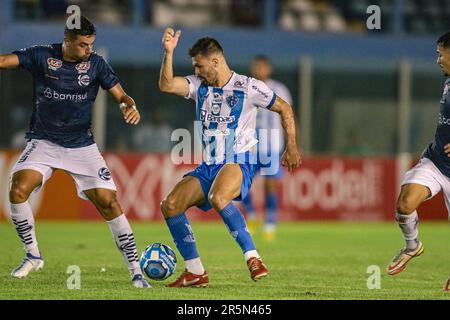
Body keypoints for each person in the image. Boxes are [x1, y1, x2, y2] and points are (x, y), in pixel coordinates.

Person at [0, 16, 150, 288]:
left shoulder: (96, 64)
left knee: (109, 203)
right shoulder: (42, 55)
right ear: (66, 41)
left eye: (91, 44)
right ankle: (33, 254)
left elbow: (121, 95)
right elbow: (3, 61)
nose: (88, 50)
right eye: (82, 45)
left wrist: (129, 105)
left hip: (82, 145)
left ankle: (136, 271)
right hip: (44, 141)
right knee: (18, 189)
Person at [158, 27, 302, 288]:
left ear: (215, 61)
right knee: (170, 205)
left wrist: (291, 145)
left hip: (239, 160)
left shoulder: (248, 87)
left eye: (200, 67)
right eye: (195, 67)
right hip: (209, 165)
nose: (197, 72)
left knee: (219, 197)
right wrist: (168, 53)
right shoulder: (198, 86)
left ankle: (254, 258)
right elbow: (167, 84)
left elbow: (284, 107)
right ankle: (195, 272)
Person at [387, 32, 450, 290]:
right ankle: (412, 246)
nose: (437, 60)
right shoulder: (448, 82)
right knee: (405, 203)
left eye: (440, 54)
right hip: (436, 162)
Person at [242, 55, 294, 241]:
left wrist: (292, 143)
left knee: (270, 184)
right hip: (248, 144)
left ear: (269, 69)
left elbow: (288, 116)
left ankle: (270, 224)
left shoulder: (280, 89)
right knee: (240, 184)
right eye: (256, 66)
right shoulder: (245, 87)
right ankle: (252, 216)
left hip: (271, 143)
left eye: (263, 67)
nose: (259, 69)